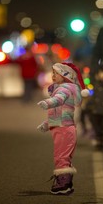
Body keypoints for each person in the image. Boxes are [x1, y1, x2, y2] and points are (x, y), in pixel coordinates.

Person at [36, 62, 89, 195]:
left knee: (61, 157)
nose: (53, 76)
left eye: (56, 73)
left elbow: (58, 101)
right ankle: (66, 182)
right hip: (62, 128)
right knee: (62, 156)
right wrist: (47, 124)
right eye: (52, 73)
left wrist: (47, 103)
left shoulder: (64, 89)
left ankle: (63, 184)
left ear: (66, 75)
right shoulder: (63, 88)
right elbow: (58, 113)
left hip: (64, 129)